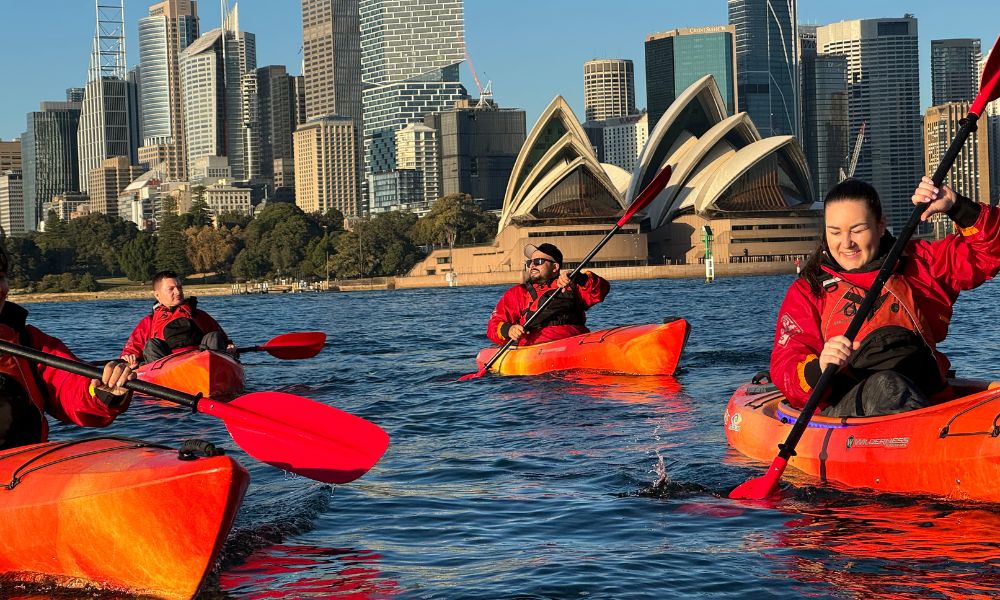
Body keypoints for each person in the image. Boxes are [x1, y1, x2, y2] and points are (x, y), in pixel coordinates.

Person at [771, 177, 1000, 417]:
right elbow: (786, 366)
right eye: (835, 232)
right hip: (851, 409)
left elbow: (990, 253)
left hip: (927, 397)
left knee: (894, 386)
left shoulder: (921, 264)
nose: (846, 243)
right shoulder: (809, 290)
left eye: (858, 230)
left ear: (881, 225)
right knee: (886, 386)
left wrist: (957, 206)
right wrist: (820, 366)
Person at [0, 247, 133, 450]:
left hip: (26, 464)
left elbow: (69, 386)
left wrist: (102, 391)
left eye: (1, 277)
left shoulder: (29, 341)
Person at [486, 242, 610, 346]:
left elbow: (601, 290)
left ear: (555, 267)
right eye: (530, 262)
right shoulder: (518, 293)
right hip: (537, 347)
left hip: (576, 342)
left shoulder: (573, 283)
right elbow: (493, 325)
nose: (532, 265)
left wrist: (578, 277)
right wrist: (509, 330)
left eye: (538, 261)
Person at [120, 271, 235, 368]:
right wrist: (129, 357)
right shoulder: (148, 322)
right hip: (167, 368)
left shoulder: (199, 315)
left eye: (179, 287)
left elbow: (225, 341)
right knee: (152, 344)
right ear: (157, 295)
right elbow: (130, 351)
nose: (178, 292)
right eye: (171, 289)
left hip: (202, 364)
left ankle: (216, 372)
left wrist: (229, 346)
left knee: (214, 336)